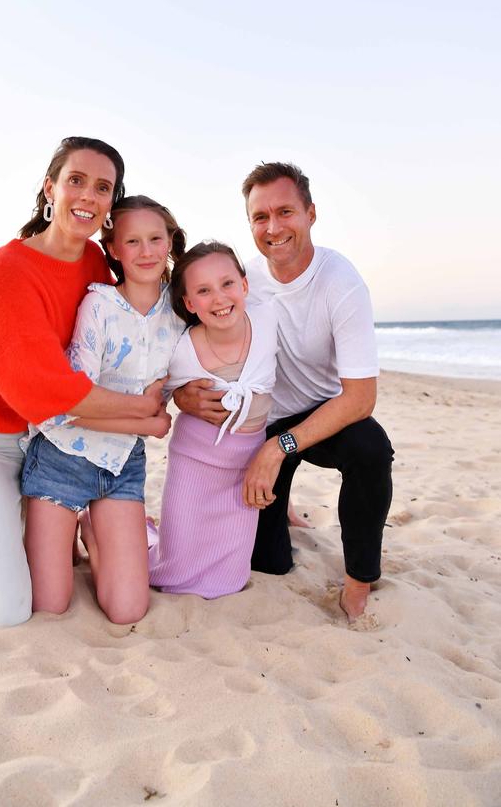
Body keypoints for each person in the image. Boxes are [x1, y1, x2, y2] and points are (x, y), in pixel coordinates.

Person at [0, 138, 166, 628]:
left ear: (110, 204)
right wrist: (143, 412)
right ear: (50, 188)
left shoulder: (95, 267)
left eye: (102, 187)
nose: (87, 195)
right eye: (75, 181)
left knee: (47, 573)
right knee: (3, 609)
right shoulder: (6, 268)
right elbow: (42, 391)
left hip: (54, 445)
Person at [174, 163, 394, 622]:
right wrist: (182, 397)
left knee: (371, 449)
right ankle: (282, 503)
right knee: (268, 563)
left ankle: (358, 580)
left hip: (323, 416)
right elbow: (196, 345)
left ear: (310, 214)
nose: (273, 228)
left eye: (285, 212)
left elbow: (360, 399)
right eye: (260, 217)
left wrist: (280, 448)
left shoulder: (341, 282)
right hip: (263, 424)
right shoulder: (242, 282)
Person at [21, 196, 186, 624]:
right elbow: (67, 409)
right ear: (113, 249)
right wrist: (147, 419)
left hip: (121, 464)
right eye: (133, 241)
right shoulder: (100, 306)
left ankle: (92, 530)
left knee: (128, 609)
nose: (146, 251)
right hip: (62, 456)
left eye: (155, 239)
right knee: (49, 603)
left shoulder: (182, 312)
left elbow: (197, 368)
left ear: (170, 242)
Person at [147, 241, 278, 598]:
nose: (219, 298)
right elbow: (156, 396)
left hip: (245, 464)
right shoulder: (182, 348)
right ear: (189, 303)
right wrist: (179, 397)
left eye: (227, 284)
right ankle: (135, 537)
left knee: (229, 579)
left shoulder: (267, 320)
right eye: (203, 291)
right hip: (195, 462)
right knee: (171, 571)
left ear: (245, 286)